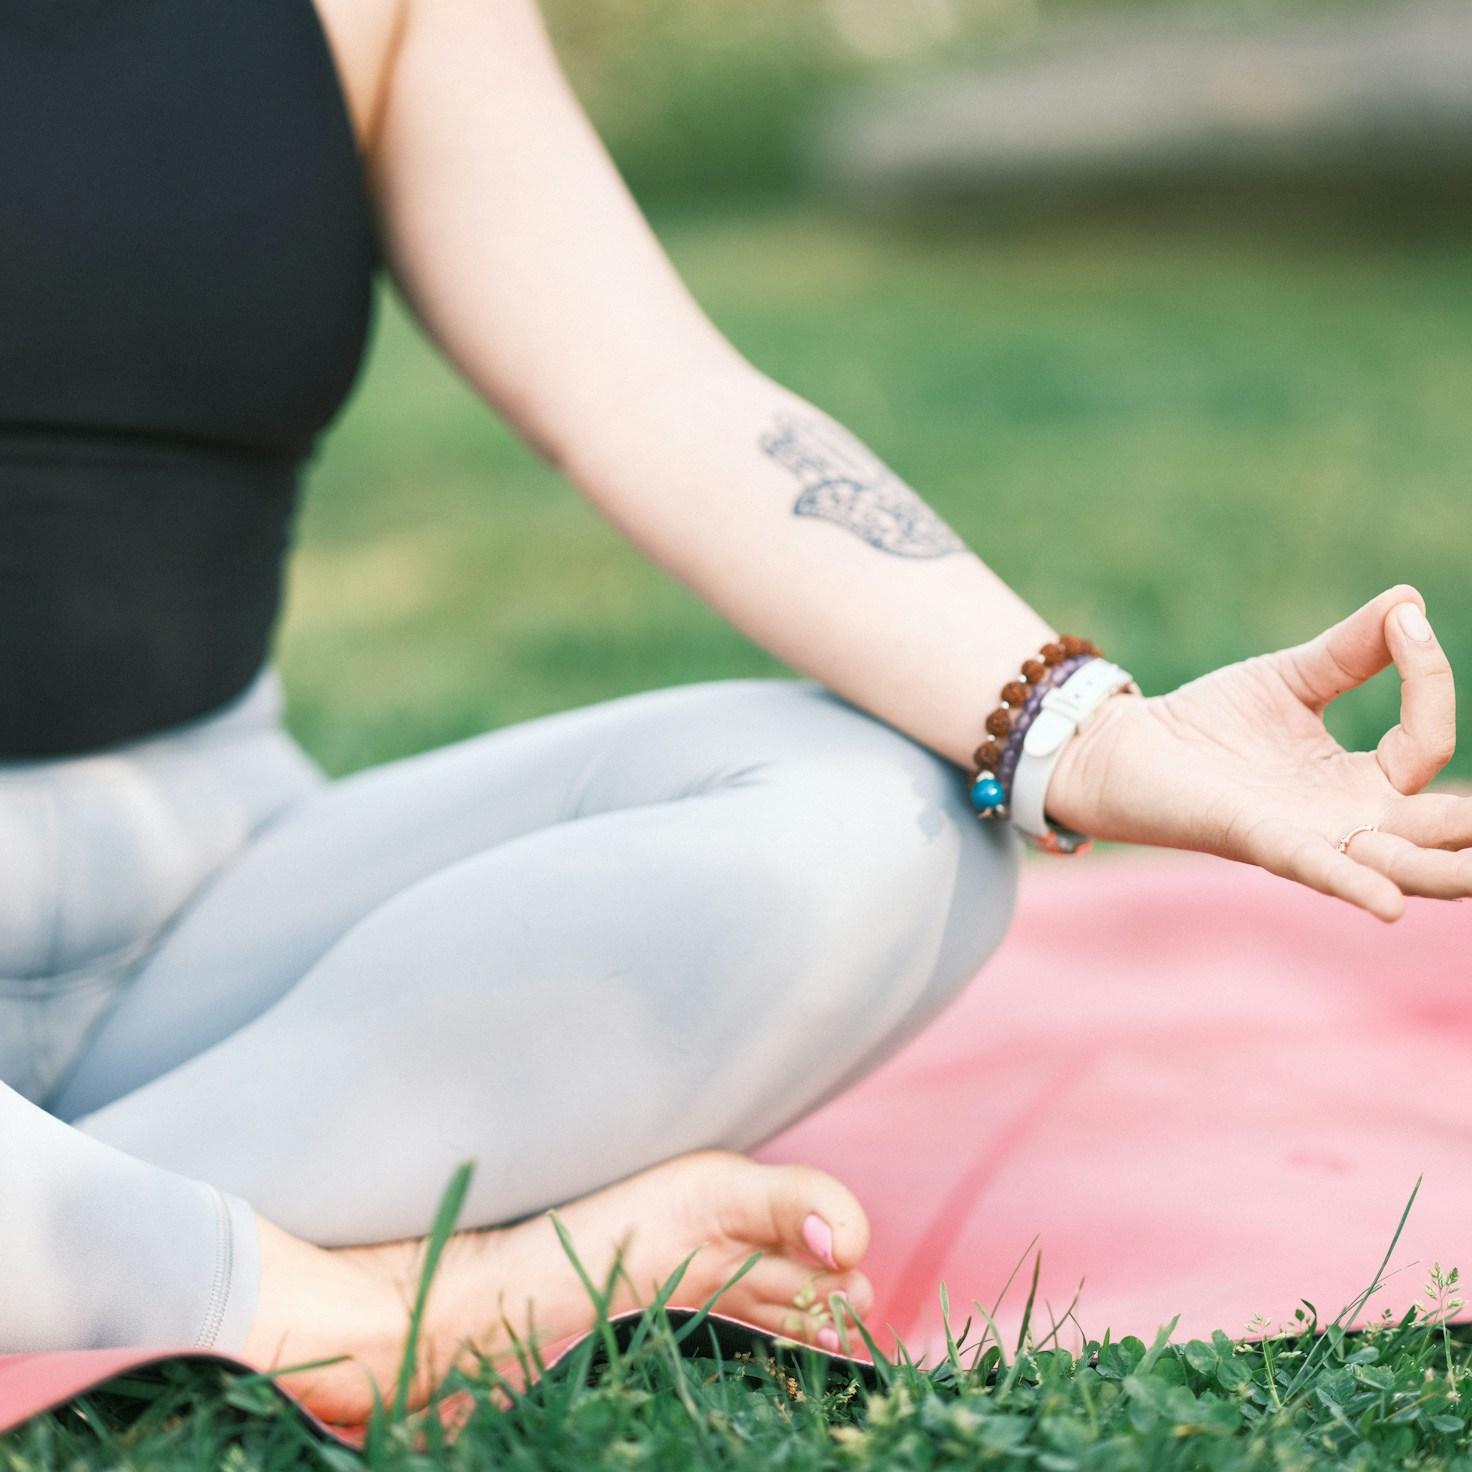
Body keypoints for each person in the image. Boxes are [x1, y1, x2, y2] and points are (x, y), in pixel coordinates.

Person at [2, 0, 1466, 1426]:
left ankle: (101, 1238)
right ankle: (347, 1309)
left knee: (886, 824)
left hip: (205, 880)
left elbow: (644, 384)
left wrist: (1090, 734)